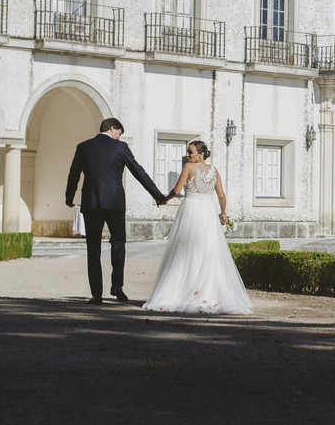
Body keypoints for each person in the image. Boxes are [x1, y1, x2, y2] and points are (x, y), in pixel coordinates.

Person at [143, 140, 252, 314]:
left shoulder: (188, 167)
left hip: (192, 209)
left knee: (185, 250)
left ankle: (182, 292)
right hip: (208, 211)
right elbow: (221, 196)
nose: (188, 155)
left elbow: (177, 190)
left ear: (200, 154)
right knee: (207, 251)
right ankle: (206, 293)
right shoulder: (214, 171)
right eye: (188, 152)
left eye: (190, 152)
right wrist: (223, 214)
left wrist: (164, 199)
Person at [65, 117, 166, 304]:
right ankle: (117, 286)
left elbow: (74, 174)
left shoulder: (83, 146)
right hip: (115, 204)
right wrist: (157, 195)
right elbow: (138, 172)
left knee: (93, 248)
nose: (119, 138)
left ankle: (96, 294)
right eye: (119, 133)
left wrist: (69, 198)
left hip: (92, 203)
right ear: (112, 129)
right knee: (118, 243)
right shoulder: (121, 148)